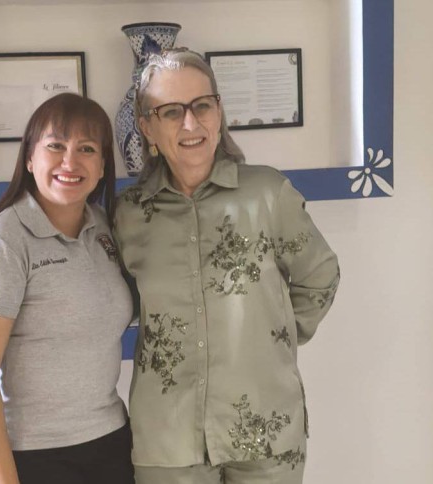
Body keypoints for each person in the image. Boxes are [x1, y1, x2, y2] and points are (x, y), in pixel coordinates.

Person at [113, 48, 340, 484]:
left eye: (202, 105)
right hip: (167, 439)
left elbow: (320, 276)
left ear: (218, 112)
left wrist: (272, 339)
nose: (190, 123)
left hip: (267, 431)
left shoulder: (268, 194)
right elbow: (113, 303)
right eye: (171, 111)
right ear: (147, 127)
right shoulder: (129, 214)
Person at [0, 92, 135, 484]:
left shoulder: (104, 228)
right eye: (55, 146)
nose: (70, 162)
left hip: (108, 444)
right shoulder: (2, 241)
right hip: (27, 456)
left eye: (86, 149)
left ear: (102, 166)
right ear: (29, 158)